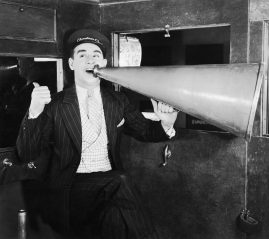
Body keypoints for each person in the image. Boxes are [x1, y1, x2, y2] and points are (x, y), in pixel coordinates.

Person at [16, 28, 178, 239]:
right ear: (72, 63)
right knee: (119, 181)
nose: (90, 60)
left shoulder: (118, 101)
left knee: (116, 216)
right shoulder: (55, 104)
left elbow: (145, 131)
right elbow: (26, 154)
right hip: (69, 190)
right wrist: (35, 111)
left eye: (96, 55)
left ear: (104, 64)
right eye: (82, 55)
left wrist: (167, 123)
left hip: (109, 191)